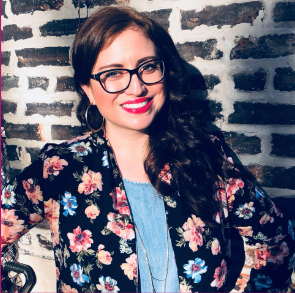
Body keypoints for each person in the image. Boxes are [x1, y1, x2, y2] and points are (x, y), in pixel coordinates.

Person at [1, 5, 295, 293]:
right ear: (88, 89)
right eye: (113, 73)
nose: (136, 87)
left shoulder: (209, 158)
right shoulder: (60, 170)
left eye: (148, 67)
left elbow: (275, 242)